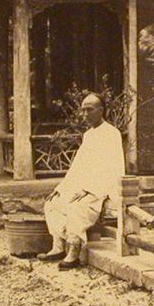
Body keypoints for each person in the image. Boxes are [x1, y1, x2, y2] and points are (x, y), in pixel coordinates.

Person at [38, 93, 125, 266]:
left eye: (90, 110)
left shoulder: (111, 134)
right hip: (83, 185)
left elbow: (111, 168)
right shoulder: (89, 135)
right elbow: (77, 167)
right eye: (83, 110)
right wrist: (62, 188)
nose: (85, 114)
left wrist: (89, 189)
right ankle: (58, 245)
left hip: (102, 187)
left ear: (101, 110)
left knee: (76, 207)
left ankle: (74, 250)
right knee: (53, 202)